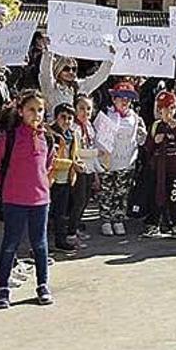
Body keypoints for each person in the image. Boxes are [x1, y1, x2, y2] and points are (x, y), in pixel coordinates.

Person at [0, 90, 56, 309]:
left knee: (40, 244)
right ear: (20, 111)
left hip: (40, 201)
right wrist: (3, 187)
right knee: (10, 243)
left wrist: (42, 185)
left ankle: (42, 285)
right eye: (31, 109)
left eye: (40, 110)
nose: (36, 114)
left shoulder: (47, 137)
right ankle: (2, 287)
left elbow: (48, 165)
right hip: (14, 200)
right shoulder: (8, 138)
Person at [97, 81, 147, 237]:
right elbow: (97, 138)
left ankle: (118, 219)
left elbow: (141, 140)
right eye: (121, 97)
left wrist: (142, 133)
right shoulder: (106, 115)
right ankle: (106, 220)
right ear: (114, 99)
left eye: (128, 98)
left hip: (126, 163)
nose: (124, 101)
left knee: (122, 193)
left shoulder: (135, 118)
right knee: (107, 192)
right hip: (108, 163)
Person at [144, 91, 176, 238]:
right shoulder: (155, 125)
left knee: (175, 198)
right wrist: (154, 142)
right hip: (160, 169)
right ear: (159, 110)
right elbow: (147, 148)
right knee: (157, 197)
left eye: (171, 108)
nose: (168, 112)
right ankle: (154, 225)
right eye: (165, 109)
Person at [39, 47, 114, 122]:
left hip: (74, 130)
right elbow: (45, 72)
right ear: (58, 69)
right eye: (66, 69)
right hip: (54, 128)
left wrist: (110, 57)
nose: (71, 72)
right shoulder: (51, 88)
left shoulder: (79, 87)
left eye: (74, 69)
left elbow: (99, 77)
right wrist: (48, 50)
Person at [48, 103, 84, 253]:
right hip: (51, 179)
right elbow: (50, 160)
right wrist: (71, 164)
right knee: (47, 214)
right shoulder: (50, 135)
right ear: (56, 117)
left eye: (70, 118)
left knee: (61, 213)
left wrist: (77, 163)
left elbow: (74, 155)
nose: (67, 121)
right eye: (63, 117)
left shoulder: (72, 135)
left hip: (66, 179)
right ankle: (41, 245)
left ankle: (60, 240)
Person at [70, 94, 100, 247]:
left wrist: (96, 172)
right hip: (79, 168)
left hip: (89, 169)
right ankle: (71, 232)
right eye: (81, 108)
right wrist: (96, 153)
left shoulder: (89, 126)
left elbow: (91, 145)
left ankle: (76, 227)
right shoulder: (74, 127)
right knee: (78, 201)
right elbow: (77, 151)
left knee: (86, 200)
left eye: (88, 108)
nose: (85, 112)